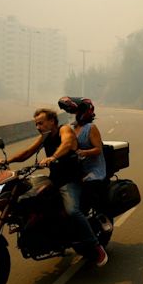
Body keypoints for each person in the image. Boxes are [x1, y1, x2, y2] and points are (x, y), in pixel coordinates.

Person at [0, 108, 108, 267]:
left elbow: (67, 143)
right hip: (54, 180)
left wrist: (53, 157)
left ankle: (96, 246)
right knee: (26, 198)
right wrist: (8, 161)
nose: (38, 127)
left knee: (72, 211)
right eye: (36, 124)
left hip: (71, 180)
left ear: (52, 121)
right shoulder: (45, 136)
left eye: (41, 123)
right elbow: (28, 152)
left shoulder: (64, 129)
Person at [58, 97, 112, 231]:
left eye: (76, 112)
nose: (73, 115)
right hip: (78, 168)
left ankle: (100, 215)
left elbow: (98, 149)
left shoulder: (91, 128)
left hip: (94, 169)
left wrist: (83, 152)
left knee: (86, 187)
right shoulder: (71, 128)